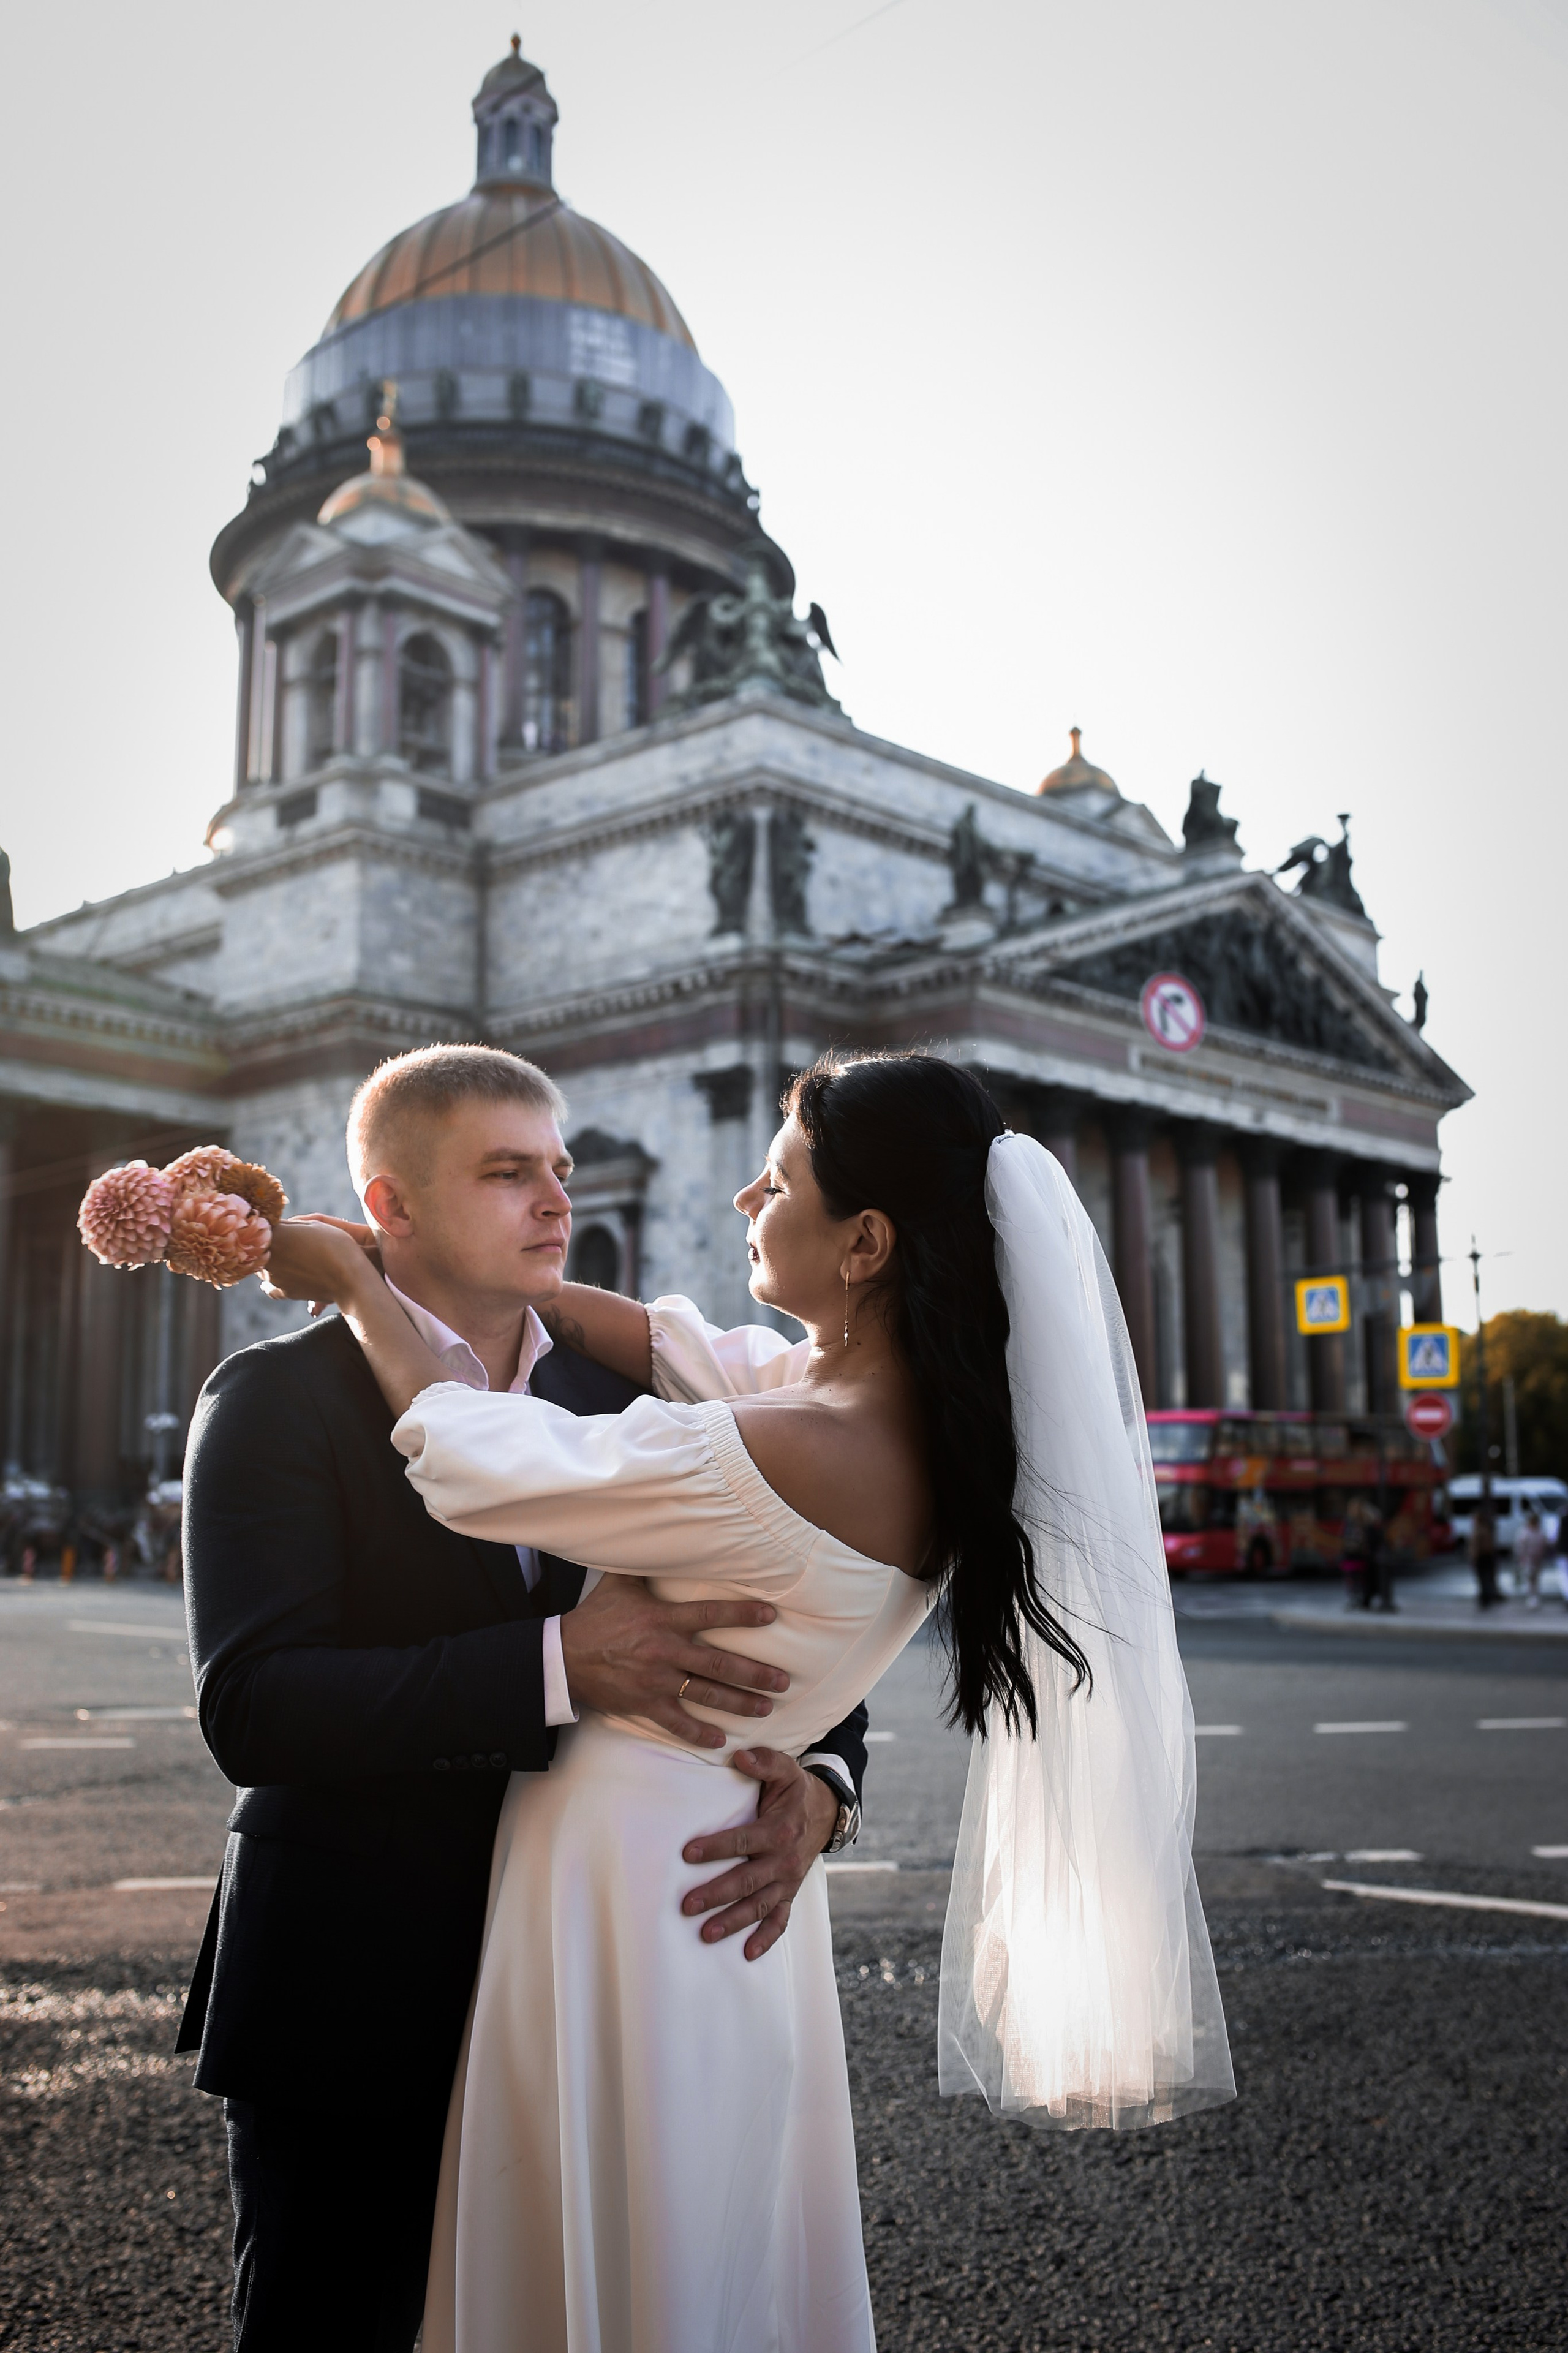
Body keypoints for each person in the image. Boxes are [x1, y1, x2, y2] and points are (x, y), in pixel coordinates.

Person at [270, 1049, 1234, 2353]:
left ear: (865, 1242)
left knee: (615, 2256)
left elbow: (466, 1453)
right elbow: (676, 1343)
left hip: (630, 1877)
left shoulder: (791, 1442)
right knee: (713, 2251)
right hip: (737, 1886)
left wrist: (354, 1278)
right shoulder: (887, 1419)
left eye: (775, 1182)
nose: (742, 1201)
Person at [178, 1046, 871, 2353]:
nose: (554, 1200)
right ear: (389, 1207)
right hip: (360, 1988)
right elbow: (254, 1708)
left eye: (557, 1169)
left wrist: (822, 1793)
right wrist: (563, 1663)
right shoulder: (275, 1396)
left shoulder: (634, 1389)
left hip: (608, 1988)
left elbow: (788, 1617)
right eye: (507, 1175)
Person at [1469, 1497, 1500, 1609]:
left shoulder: (1479, 1530)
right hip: (1485, 1556)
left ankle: (1485, 1598)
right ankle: (1486, 1597)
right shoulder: (1484, 1529)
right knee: (1484, 1578)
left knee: (1483, 1579)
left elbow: (1477, 1546)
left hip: (1482, 1557)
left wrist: (1474, 1556)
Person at [1515, 1505, 1548, 1609]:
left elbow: (1544, 1544)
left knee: (1536, 1579)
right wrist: (1522, 1558)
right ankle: (1531, 1598)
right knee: (1530, 1580)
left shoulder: (1539, 1532)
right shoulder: (1525, 1532)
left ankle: (1535, 1597)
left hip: (1537, 1559)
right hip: (1528, 1559)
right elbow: (1520, 1546)